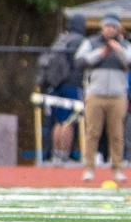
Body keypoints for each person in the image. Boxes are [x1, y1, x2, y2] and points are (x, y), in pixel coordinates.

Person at [75, 13, 131, 183]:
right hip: (95, 95)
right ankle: (89, 168)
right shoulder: (91, 43)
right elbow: (80, 61)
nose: (109, 29)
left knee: (116, 133)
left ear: (117, 28)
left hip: (117, 96)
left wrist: (117, 49)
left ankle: (117, 169)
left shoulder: (125, 45)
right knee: (92, 132)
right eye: (107, 26)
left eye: (113, 27)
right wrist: (102, 53)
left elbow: (128, 62)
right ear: (102, 27)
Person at [37, 14, 87, 164]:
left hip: (55, 85)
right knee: (69, 121)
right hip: (71, 85)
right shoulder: (79, 41)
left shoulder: (61, 39)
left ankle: (56, 154)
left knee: (58, 121)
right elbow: (80, 64)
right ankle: (64, 155)